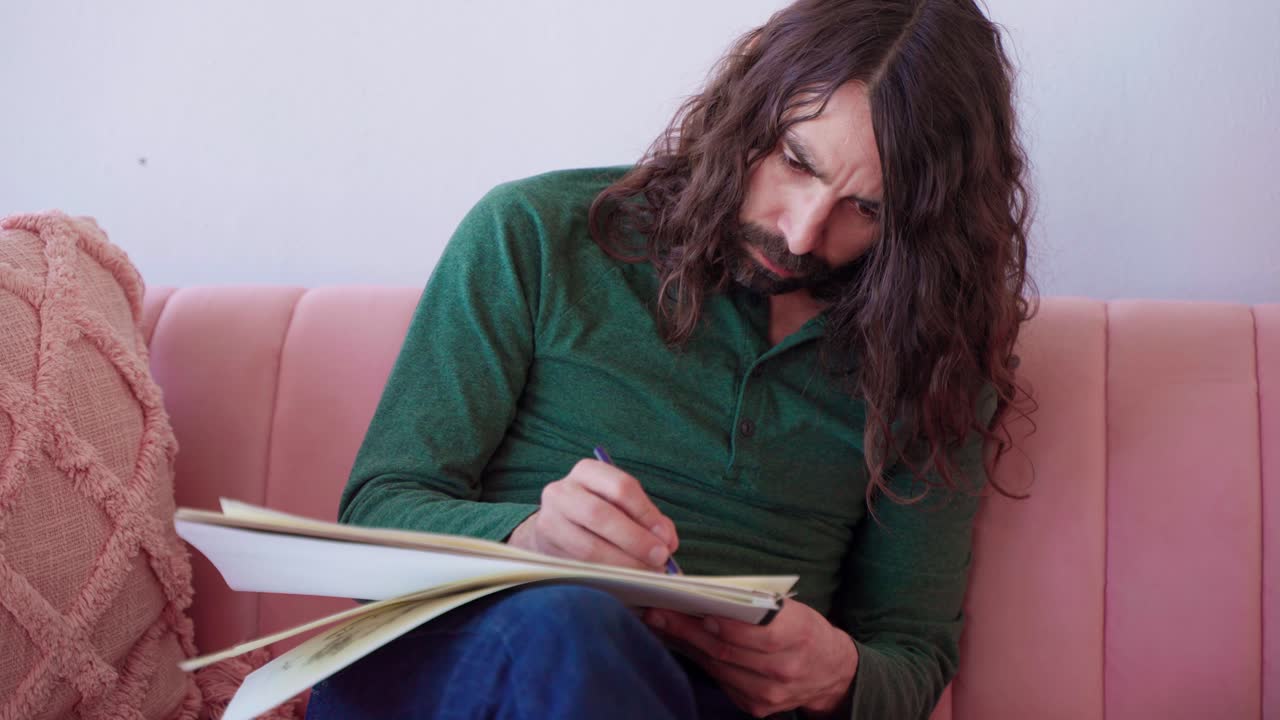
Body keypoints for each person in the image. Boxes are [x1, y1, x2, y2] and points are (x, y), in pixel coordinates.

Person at [307, 0, 1034, 717]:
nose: (804, 233)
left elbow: (910, 648)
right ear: (748, 110)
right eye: (795, 162)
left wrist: (838, 674)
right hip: (463, 671)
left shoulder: (933, 357)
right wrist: (526, 541)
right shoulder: (536, 234)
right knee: (569, 627)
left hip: (703, 703)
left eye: (867, 210)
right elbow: (376, 514)